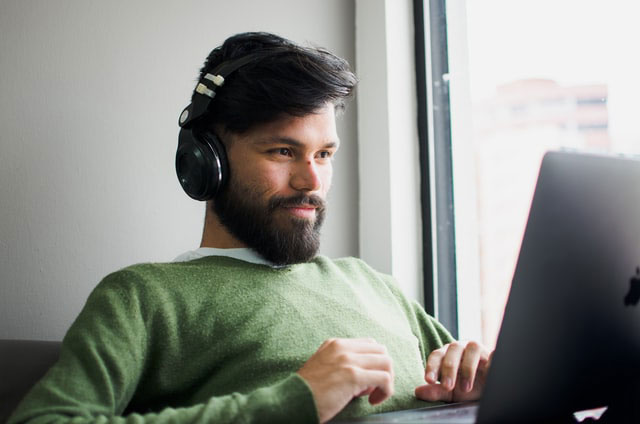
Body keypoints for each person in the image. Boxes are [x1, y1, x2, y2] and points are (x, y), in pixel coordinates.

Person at [8, 32, 491, 424]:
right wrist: (296, 401)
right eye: (283, 151)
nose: (312, 181)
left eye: (324, 154)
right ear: (206, 160)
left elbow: (456, 382)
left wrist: (486, 386)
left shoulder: (374, 285)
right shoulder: (144, 297)